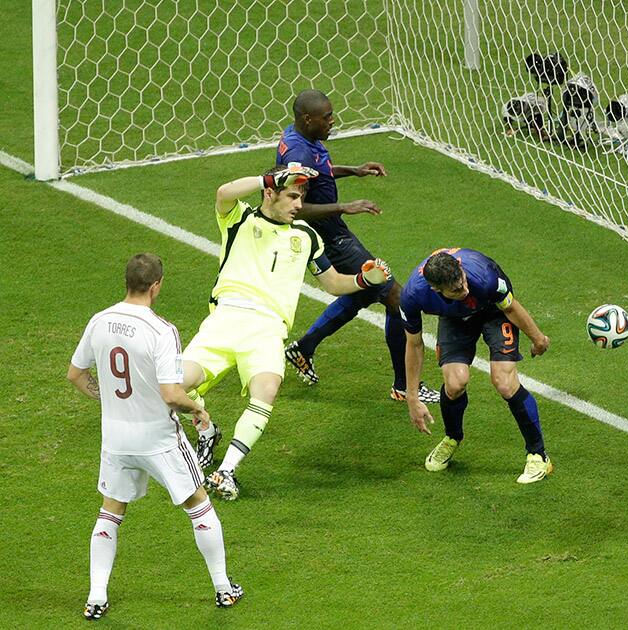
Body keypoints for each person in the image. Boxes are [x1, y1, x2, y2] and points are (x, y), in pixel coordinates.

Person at [184, 165, 392, 500]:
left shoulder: (307, 236)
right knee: (176, 387)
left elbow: (334, 283)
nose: (298, 204)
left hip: (268, 329)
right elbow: (223, 192)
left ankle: (227, 471)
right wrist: (267, 178)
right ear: (270, 193)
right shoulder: (239, 219)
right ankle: (206, 427)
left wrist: (364, 280)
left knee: (266, 389)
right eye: (292, 196)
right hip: (226, 319)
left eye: (302, 197)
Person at [68, 254, 243, 620]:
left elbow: (76, 375)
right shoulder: (162, 331)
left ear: (127, 282)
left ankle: (96, 595)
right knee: (198, 504)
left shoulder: (99, 321)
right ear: (156, 286)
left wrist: (109, 399)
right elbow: (170, 394)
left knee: (110, 510)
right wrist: (198, 408)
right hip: (159, 439)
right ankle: (224, 588)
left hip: (116, 438)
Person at [278, 89, 439, 404]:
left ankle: (304, 347)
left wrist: (354, 170)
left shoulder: (301, 137)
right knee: (396, 298)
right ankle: (404, 386)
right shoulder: (298, 153)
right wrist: (344, 206)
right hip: (330, 237)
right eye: (326, 117)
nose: (332, 121)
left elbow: (319, 174)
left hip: (334, 230)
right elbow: (296, 205)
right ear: (307, 118)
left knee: (364, 291)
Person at [401, 248, 553, 483]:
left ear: (460, 268)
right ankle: (452, 438)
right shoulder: (413, 295)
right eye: (456, 289)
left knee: (504, 382)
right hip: (454, 318)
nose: (465, 289)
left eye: (462, 280)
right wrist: (412, 397)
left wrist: (538, 338)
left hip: (494, 311)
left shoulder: (484, 277)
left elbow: (511, 308)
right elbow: (414, 344)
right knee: (454, 383)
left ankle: (538, 455)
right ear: (436, 290)